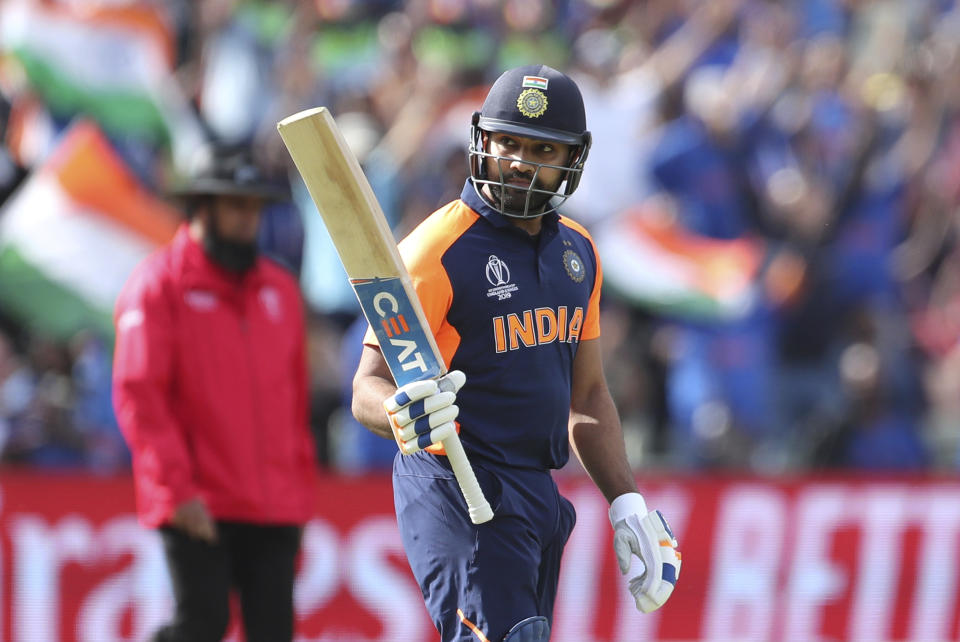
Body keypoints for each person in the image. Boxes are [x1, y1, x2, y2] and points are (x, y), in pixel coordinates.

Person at [352, 64, 682, 642]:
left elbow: (588, 395)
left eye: (542, 148)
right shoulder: (431, 251)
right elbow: (365, 389)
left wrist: (626, 500)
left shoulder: (579, 254)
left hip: (534, 491)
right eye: (508, 142)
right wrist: (403, 411)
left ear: (572, 159)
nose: (521, 161)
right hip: (455, 482)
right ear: (482, 140)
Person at [112, 150, 317, 642]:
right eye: (235, 206)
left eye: (254, 207)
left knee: (274, 634)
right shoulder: (158, 285)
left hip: (272, 505)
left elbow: (294, 402)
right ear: (202, 207)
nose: (249, 219)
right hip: (199, 501)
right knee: (201, 626)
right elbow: (139, 394)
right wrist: (176, 491)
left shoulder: (281, 290)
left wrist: (299, 495)